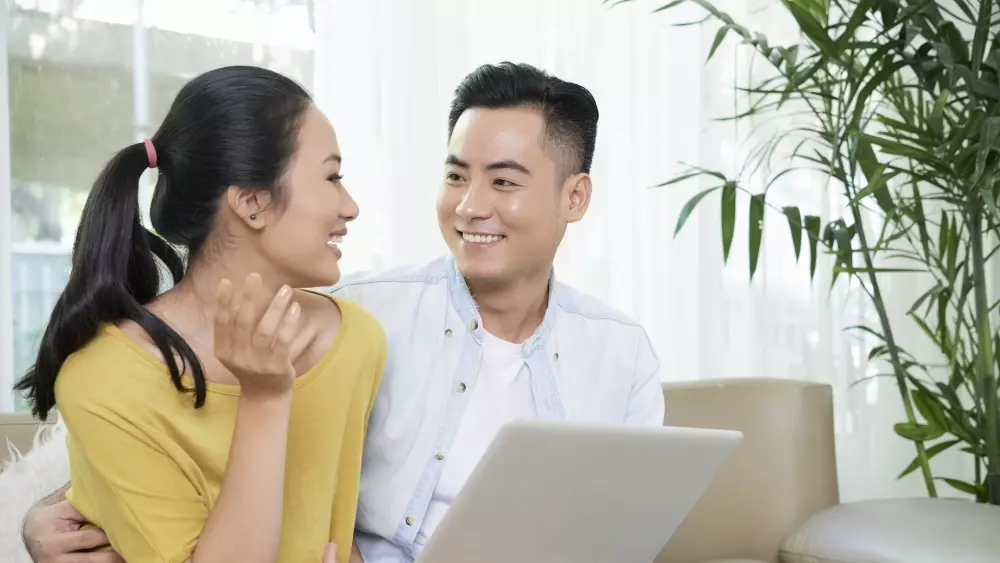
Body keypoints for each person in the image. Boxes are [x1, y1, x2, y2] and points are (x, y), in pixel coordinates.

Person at [20, 62, 663, 562]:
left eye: (504, 181)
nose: (469, 207)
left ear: (575, 197)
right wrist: (53, 511)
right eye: (455, 176)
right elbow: (139, 445)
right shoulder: (365, 313)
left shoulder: (621, 353)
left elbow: (631, 529)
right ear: (249, 202)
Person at [14, 65, 384, 563]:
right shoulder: (103, 379)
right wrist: (266, 397)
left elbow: (343, 527)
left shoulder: (355, 340)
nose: (351, 207)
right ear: (252, 203)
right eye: (332, 177)